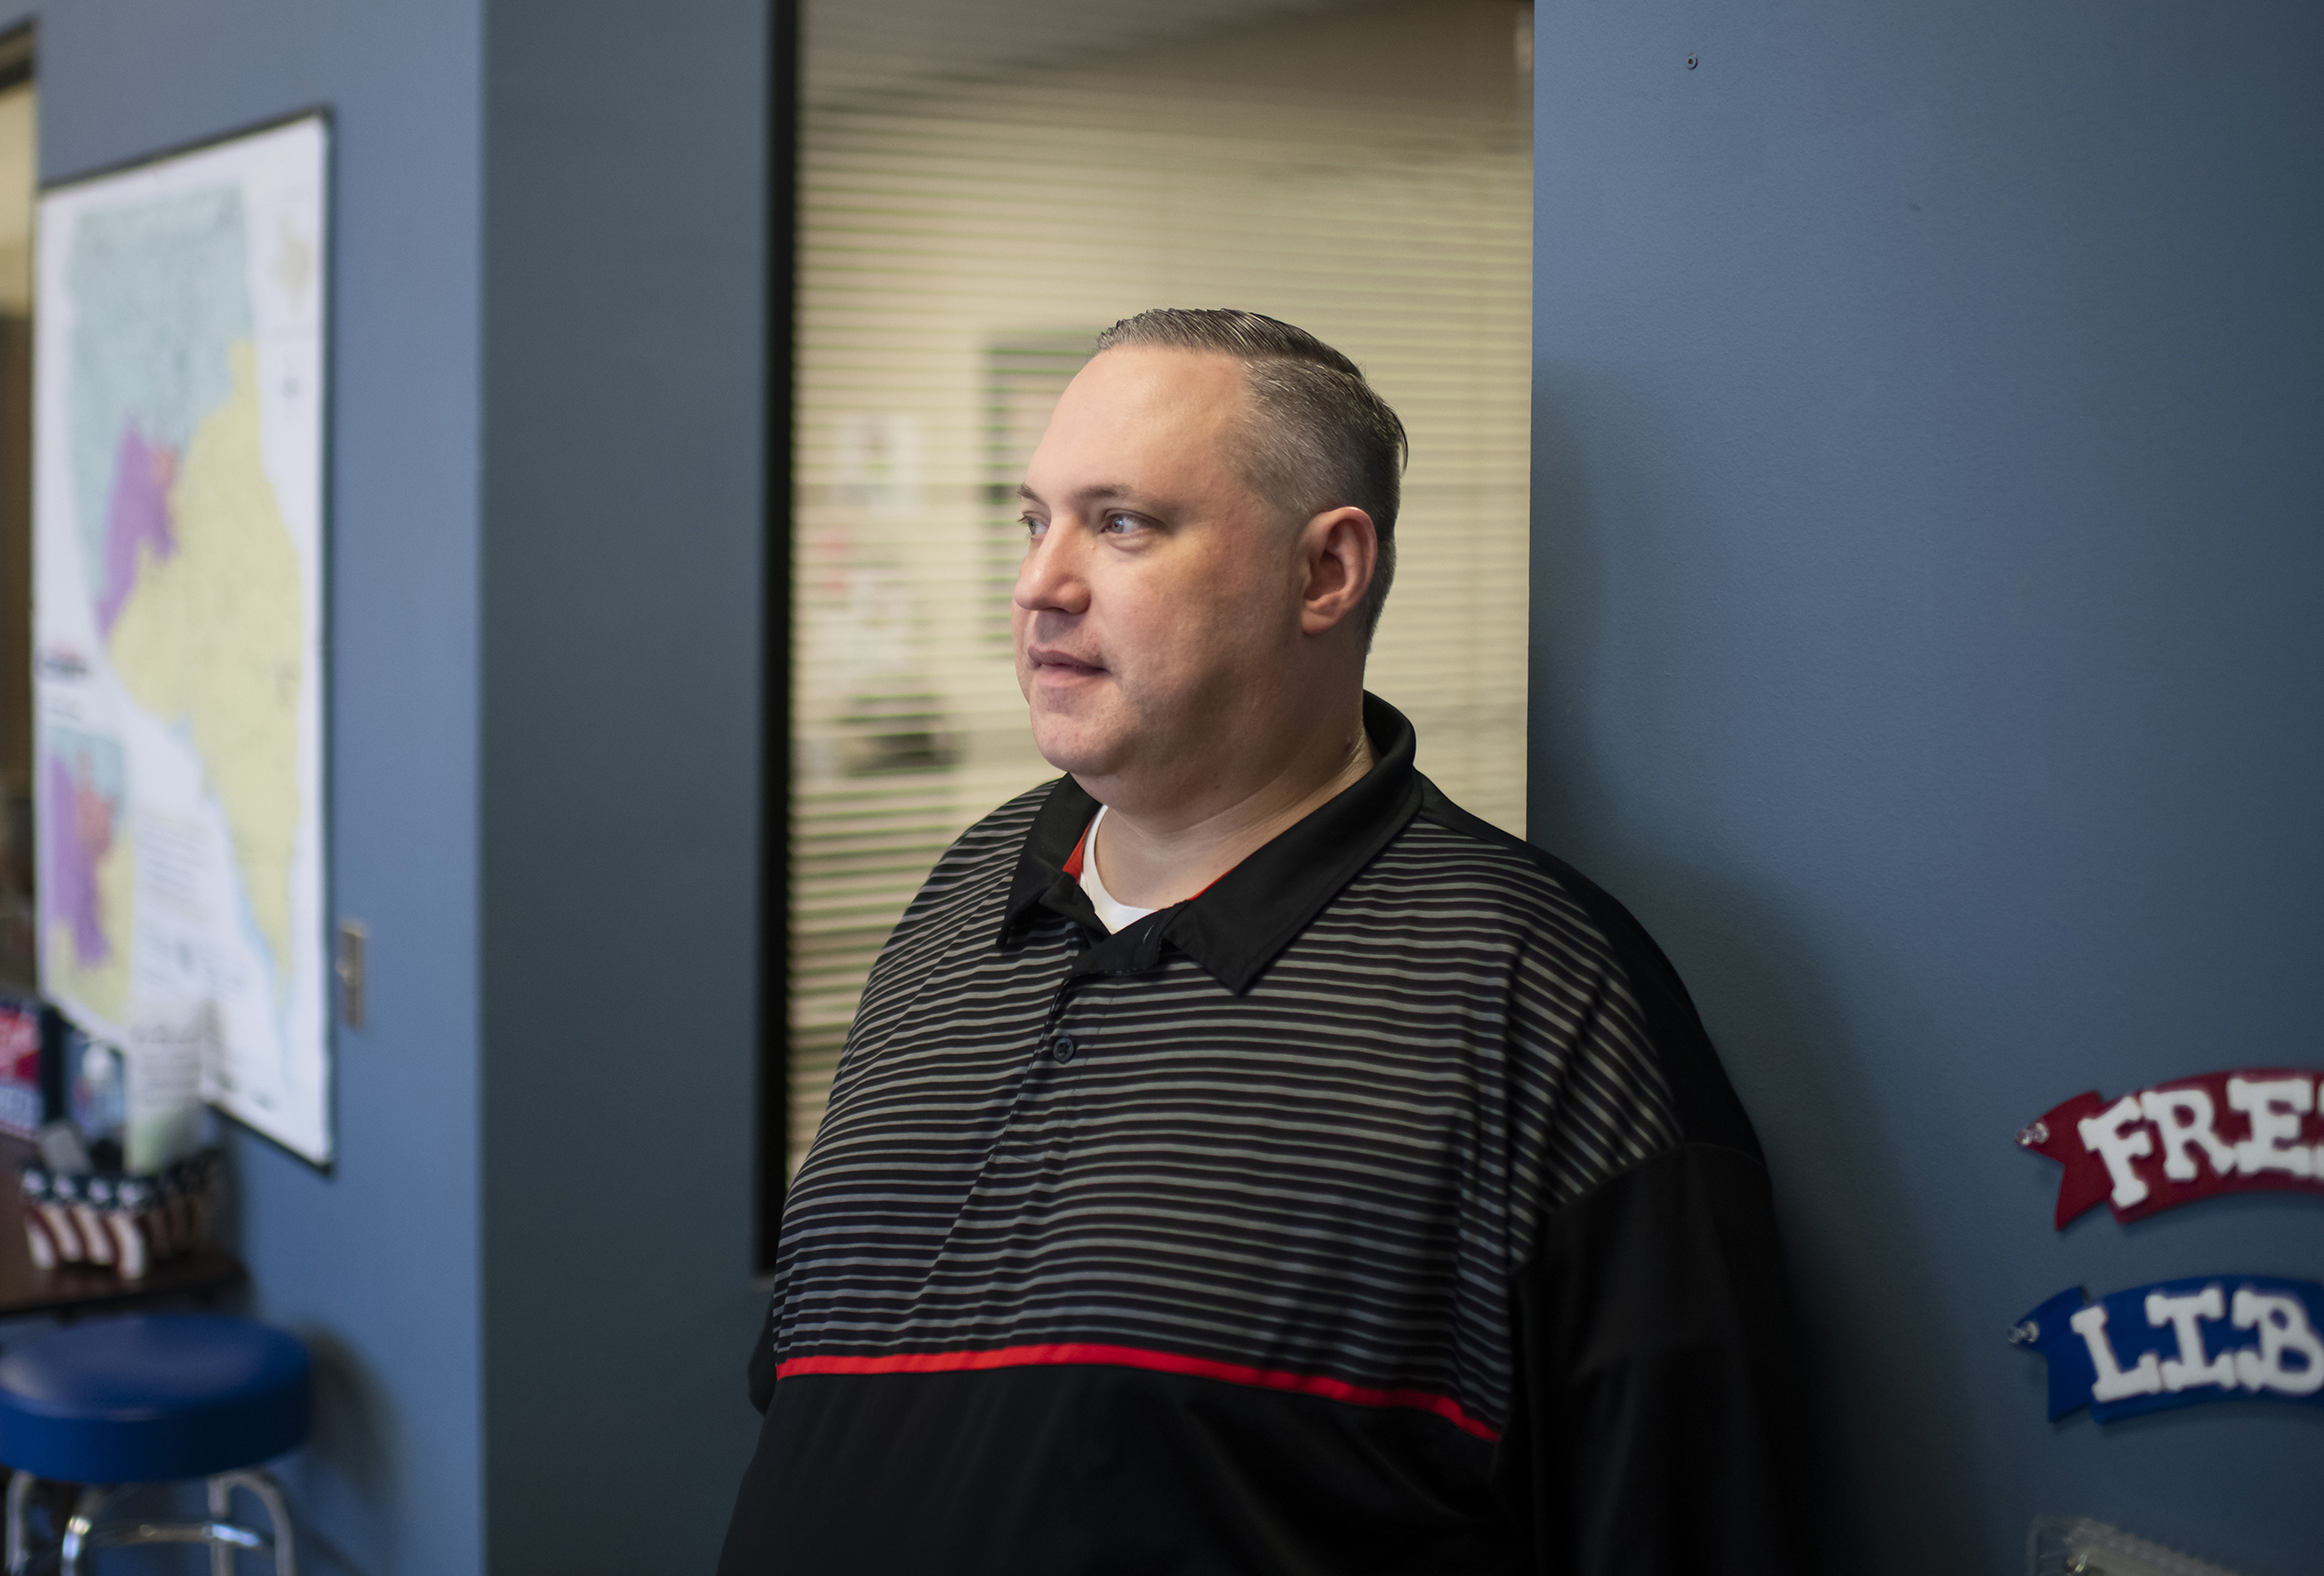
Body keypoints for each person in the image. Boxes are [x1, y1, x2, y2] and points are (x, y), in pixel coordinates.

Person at [720, 309, 1809, 1574]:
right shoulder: (961, 909)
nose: (1041, 583)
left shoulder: (1532, 991)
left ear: (1325, 573)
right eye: (1035, 521)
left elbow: (1683, 1523)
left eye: (1122, 524)